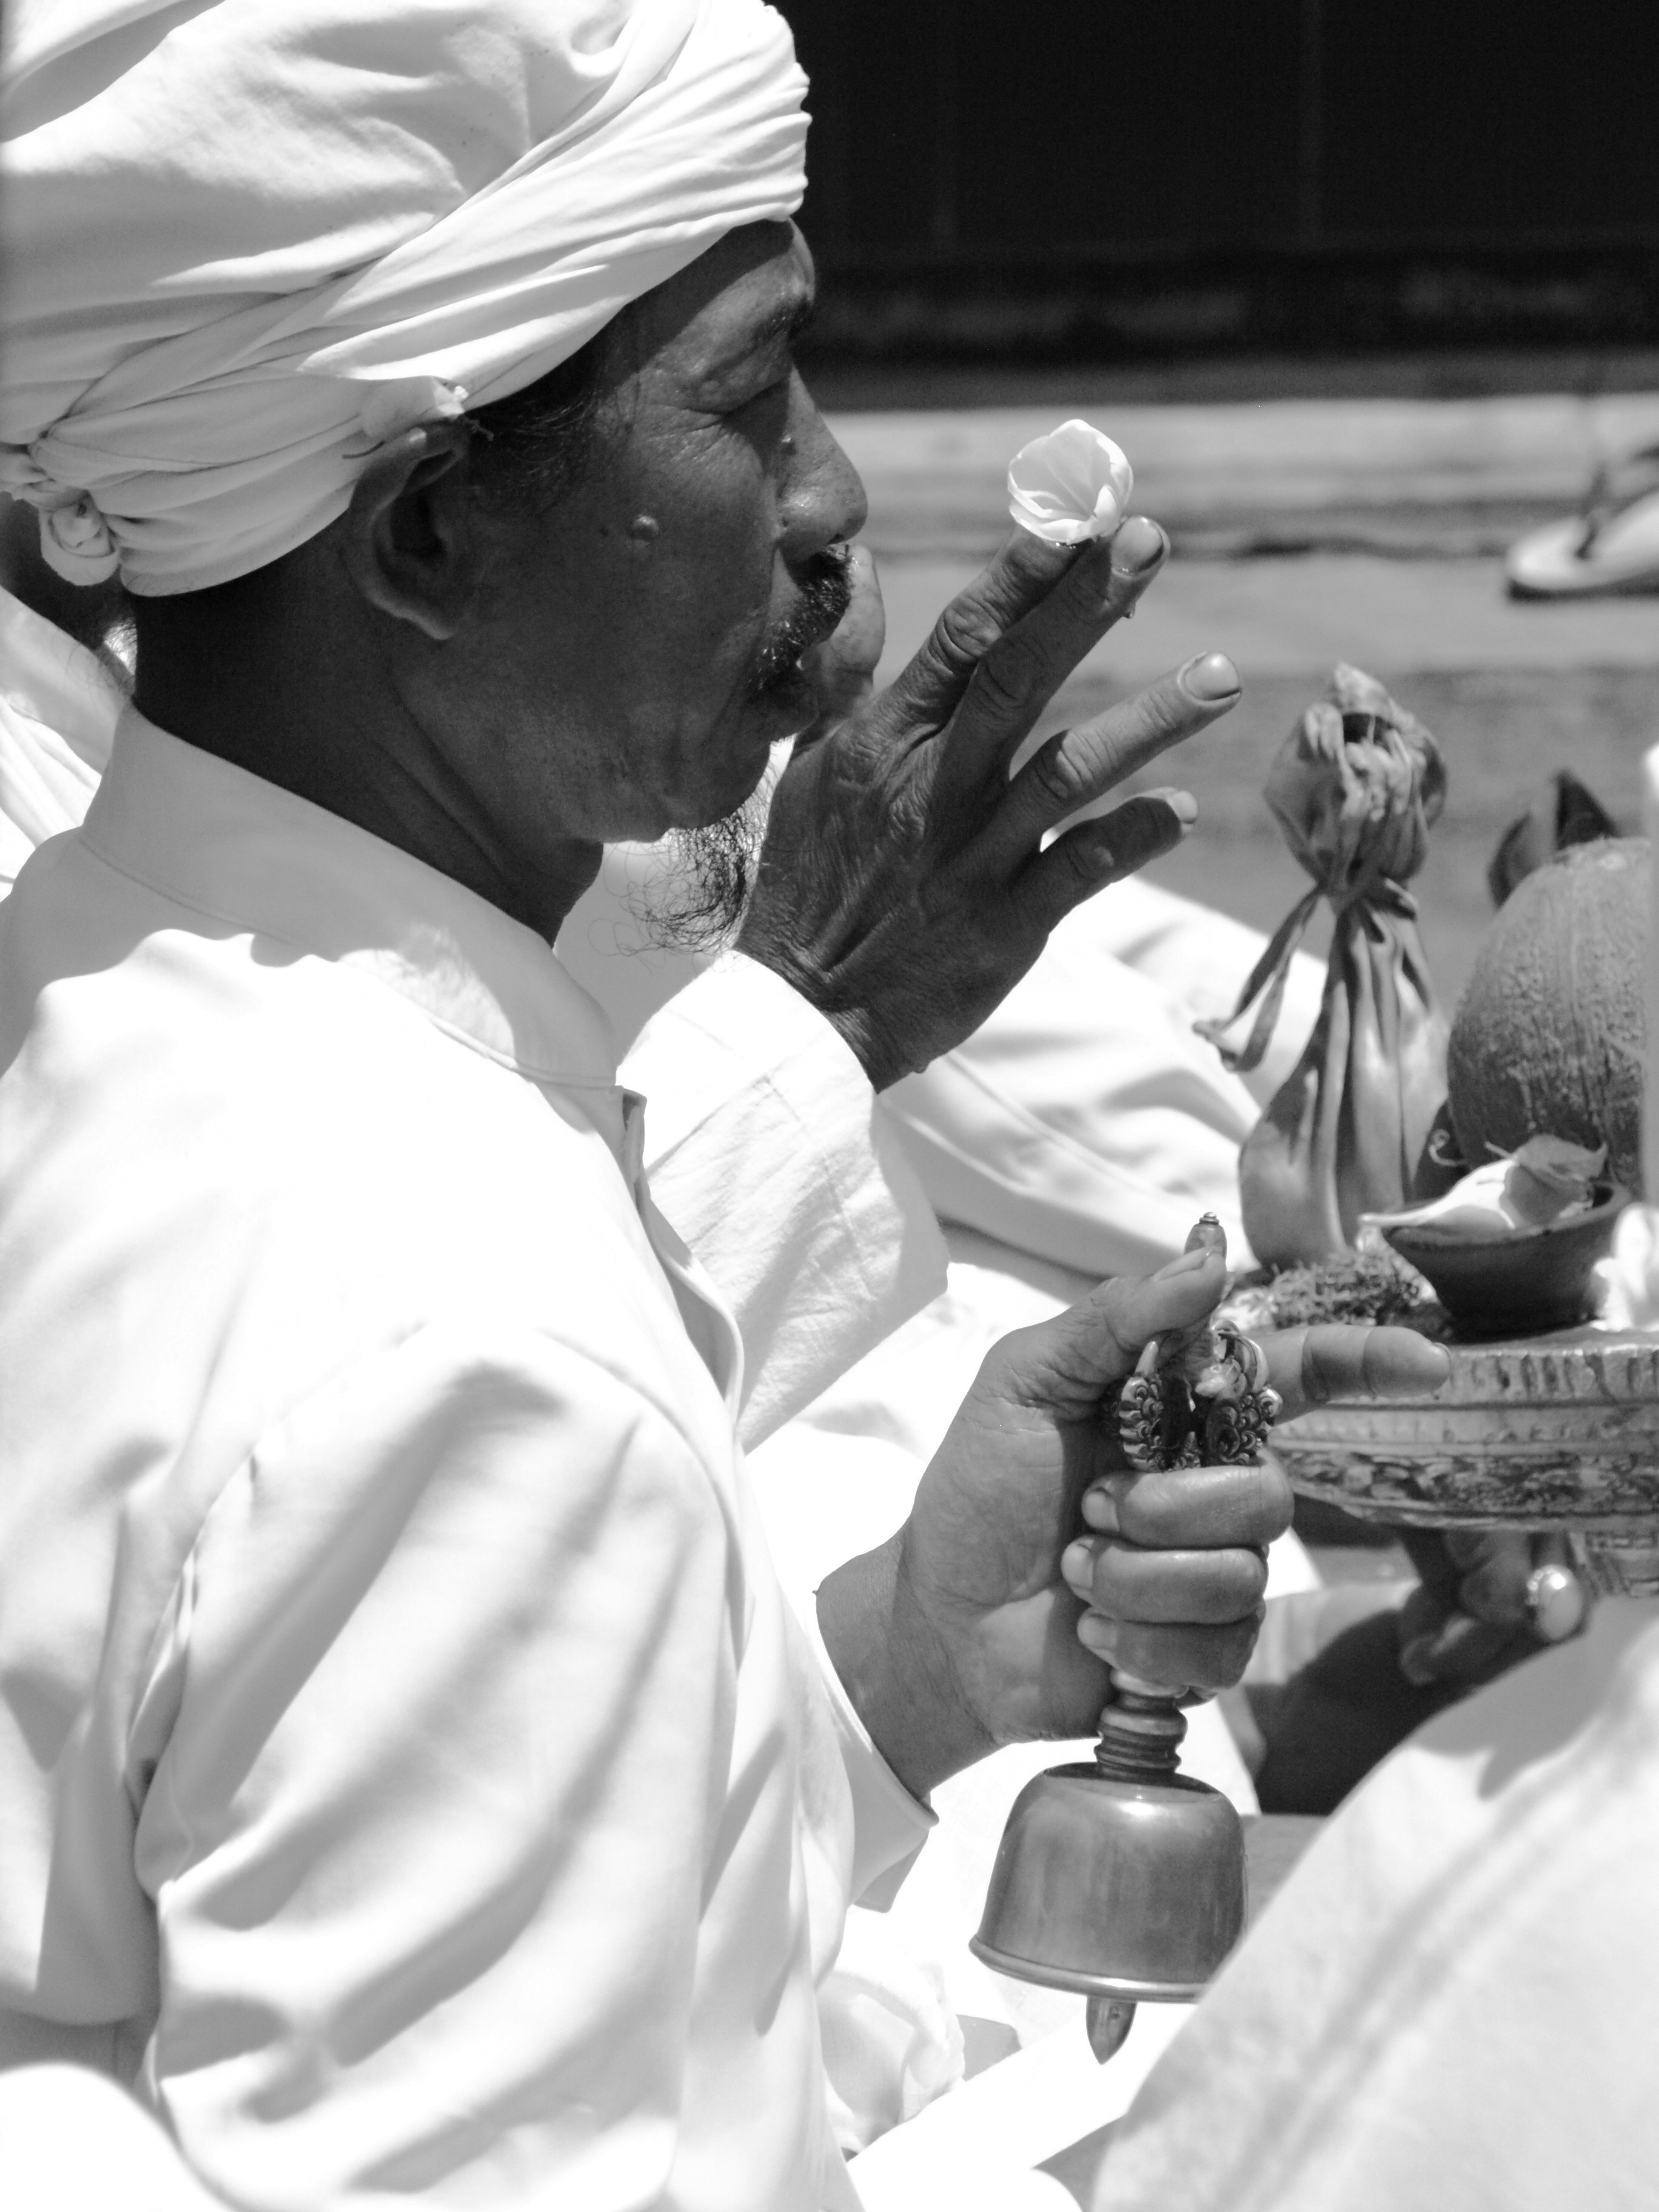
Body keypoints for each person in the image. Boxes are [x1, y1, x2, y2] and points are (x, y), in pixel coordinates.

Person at [0, 5, 1448, 2208]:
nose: (836, 494)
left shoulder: (102, 993)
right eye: (752, 400)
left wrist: (882, 1679)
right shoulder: (465, 1344)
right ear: (423, 541)